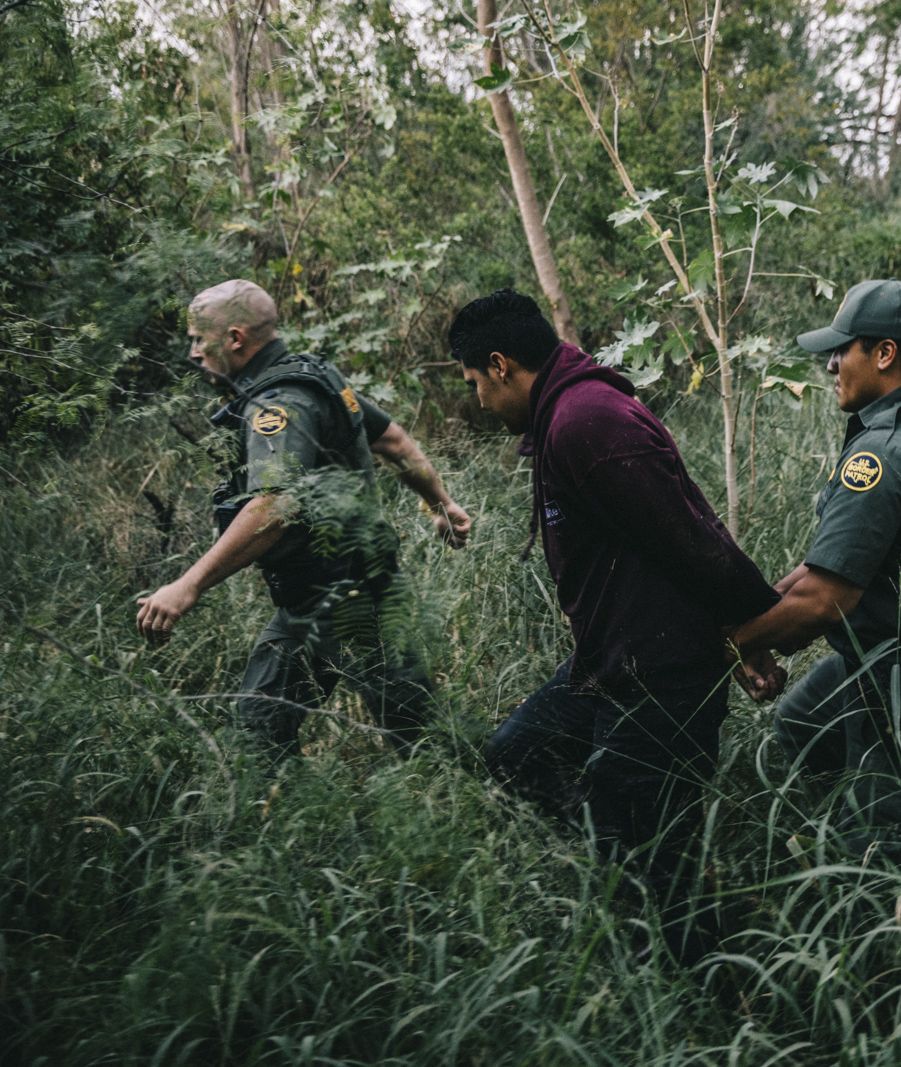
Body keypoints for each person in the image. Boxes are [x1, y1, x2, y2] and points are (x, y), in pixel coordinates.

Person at [456, 288, 782, 965]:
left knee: (662, 868)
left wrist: (750, 630)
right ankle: (622, 850)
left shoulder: (587, 421)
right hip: (610, 661)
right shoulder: (562, 417)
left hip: (662, 675)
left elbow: (692, 538)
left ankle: (714, 993)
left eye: (475, 383)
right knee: (515, 754)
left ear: (501, 363)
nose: (479, 400)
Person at [726, 279, 901, 879]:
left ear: (884, 354)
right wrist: (750, 625)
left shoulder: (883, 454)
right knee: (804, 723)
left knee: (888, 842)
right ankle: (898, 807)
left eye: (842, 348)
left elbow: (824, 601)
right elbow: (826, 569)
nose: (830, 363)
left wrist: (729, 642)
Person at [136, 279, 471, 764]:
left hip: (357, 604)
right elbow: (394, 441)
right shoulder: (315, 374)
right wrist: (441, 503)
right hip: (310, 600)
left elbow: (274, 507)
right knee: (257, 734)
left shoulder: (280, 403)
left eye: (198, 340)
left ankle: (510, 805)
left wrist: (188, 585)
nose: (192, 352)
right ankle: (288, 829)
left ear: (235, 339)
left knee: (426, 743)